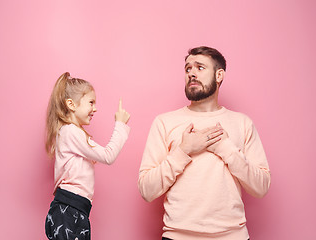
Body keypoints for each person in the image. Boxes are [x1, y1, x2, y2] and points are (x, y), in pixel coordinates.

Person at [138, 46, 270, 240]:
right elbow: (147, 190)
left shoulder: (242, 123)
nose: (191, 73)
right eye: (187, 68)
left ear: (219, 75)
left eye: (200, 67)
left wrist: (225, 148)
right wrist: (184, 151)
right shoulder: (164, 122)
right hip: (177, 236)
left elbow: (261, 186)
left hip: (232, 236)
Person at [44, 72, 130, 240]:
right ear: (71, 104)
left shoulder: (72, 134)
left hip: (76, 210)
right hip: (68, 210)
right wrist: (120, 124)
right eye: (91, 102)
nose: (95, 108)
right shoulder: (70, 132)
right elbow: (108, 156)